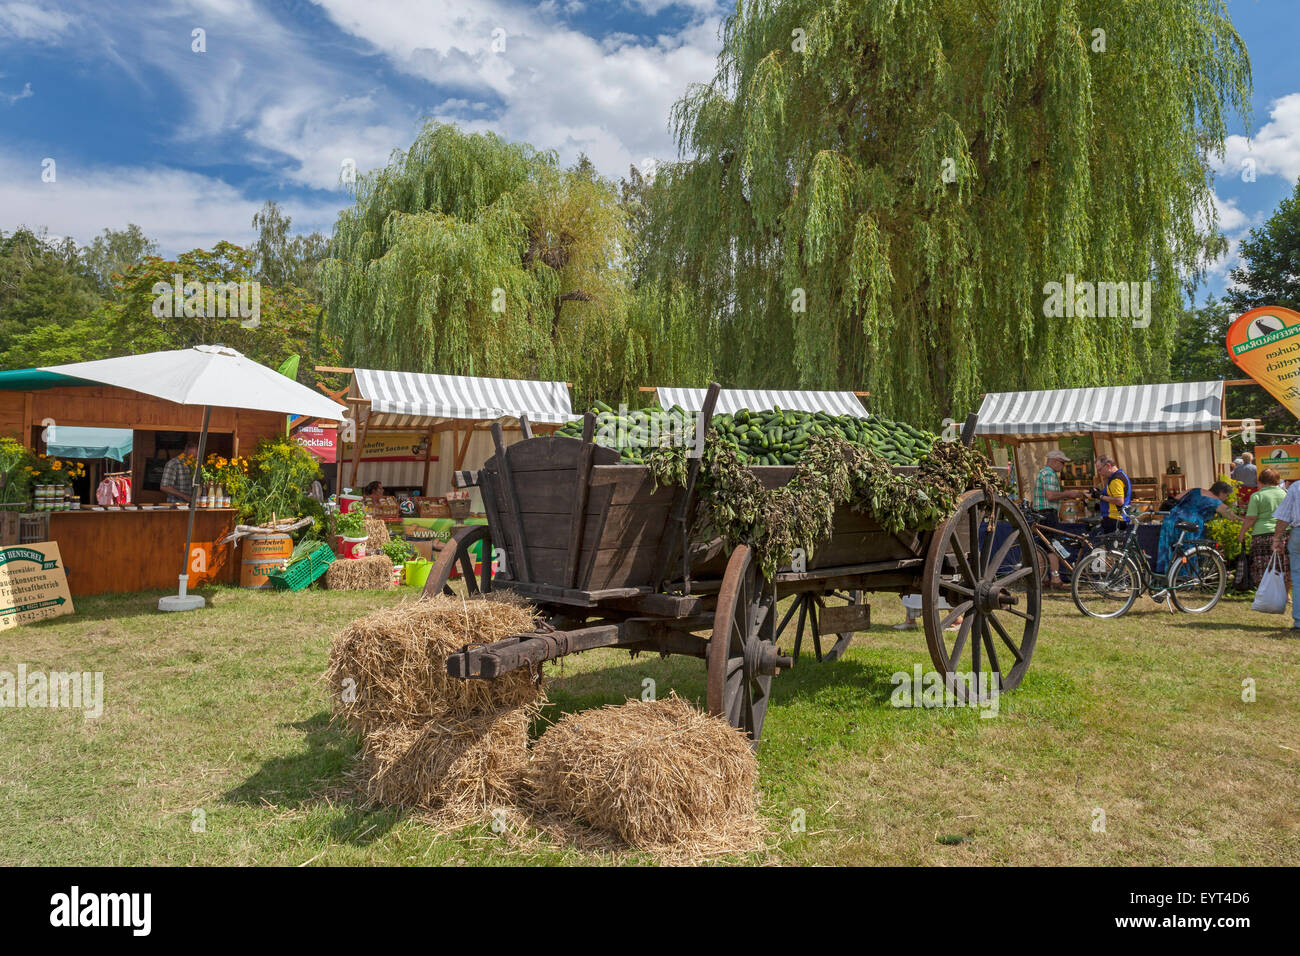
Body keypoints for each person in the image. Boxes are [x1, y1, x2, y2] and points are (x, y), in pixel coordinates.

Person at [1155, 481, 1239, 575]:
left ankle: (1165, 574)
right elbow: (1232, 517)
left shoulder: (1195, 490)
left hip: (1171, 519)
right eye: (1226, 495)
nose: (1226, 498)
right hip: (1189, 524)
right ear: (1221, 492)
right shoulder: (1216, 501)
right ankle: (1186, 577)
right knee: (1189, 550)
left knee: (1170, 547)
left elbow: (1176, 498)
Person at [1032, 449, 1086, 589]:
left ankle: (1042, 578)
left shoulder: (1043, 472)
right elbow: (1050, 495)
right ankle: (1055, 579)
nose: (1063, 466)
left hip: (1041, 513)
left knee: (1042, 546)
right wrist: (1068, 493)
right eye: (1062, 463)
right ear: (1055, 461)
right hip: (1048, 514)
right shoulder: (1049, 473)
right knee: (1052, 546)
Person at [1240, 468, 1287, 589]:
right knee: (1282, 564)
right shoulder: (1285, 493)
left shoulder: (1257, 496)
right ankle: (1285, 593)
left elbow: (1251, 518)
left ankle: (1264, 593)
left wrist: (1242, 532)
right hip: (1283, 533)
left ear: (1260, 480)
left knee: (1262, 566)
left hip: (1262, 534)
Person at [1093, 456, 1132, 534]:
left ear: (1108, 465)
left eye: (1100, 470)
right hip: (1117, 519)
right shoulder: (1119, 475)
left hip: (1115, 520)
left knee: (1110, 546)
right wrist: (1099, 492)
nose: (1099, 473)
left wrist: (1100, 496)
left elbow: (1119, 501)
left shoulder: (1116, 479)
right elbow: (1112, 495)